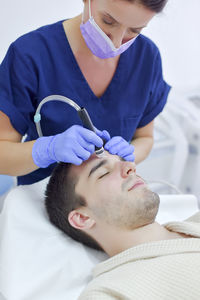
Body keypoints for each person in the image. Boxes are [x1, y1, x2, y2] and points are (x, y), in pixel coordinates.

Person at [0, 0, 170, 186]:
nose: (115, 42)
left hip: (105, 203)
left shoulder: (146, 58)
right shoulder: (30, 55)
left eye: (134, 31)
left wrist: (129, 152)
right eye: (108, 21)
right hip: (41, 199)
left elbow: (145, 138)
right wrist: (47, 150)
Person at [45, 152, 200, 299]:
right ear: (82, 218)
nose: (130, 167)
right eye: (104, 173)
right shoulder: (111, 292)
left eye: (122, 161)